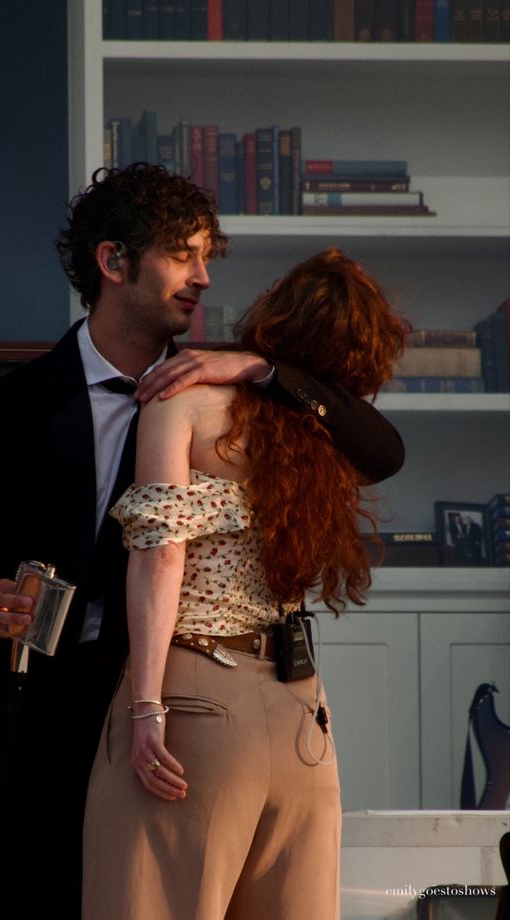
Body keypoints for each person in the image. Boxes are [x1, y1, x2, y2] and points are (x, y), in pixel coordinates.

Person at [0, 164, 405, 919]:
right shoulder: (2, 408)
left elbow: (378, 446)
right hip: (47, 728)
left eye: (207, 256)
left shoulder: (226, 394)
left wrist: (264, 365)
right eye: (184, 256)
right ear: (114, 263)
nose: (203, 278)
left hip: (179, 717)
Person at [82, 247, 409, 920]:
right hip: (300, 720)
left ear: (273, 318)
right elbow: (387, 450)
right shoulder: (324, 435)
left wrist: (146, 707)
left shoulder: (186, 402)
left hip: (197, 700)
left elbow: (160, 558)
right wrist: (273, 376)